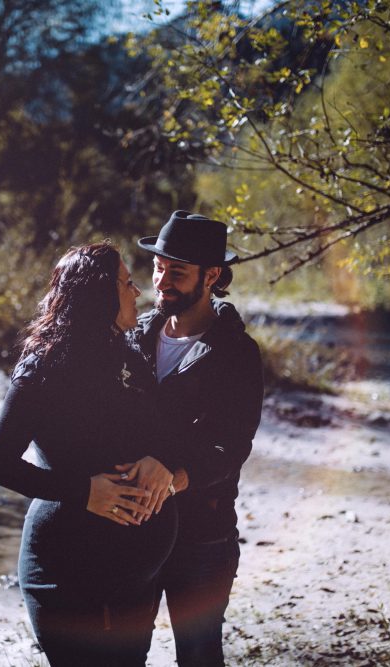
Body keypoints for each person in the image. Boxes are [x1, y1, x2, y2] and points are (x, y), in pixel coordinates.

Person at [0, 242, 180, 666]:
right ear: (99, 294)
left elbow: (157, 434)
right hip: (65, 571)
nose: (137, 292)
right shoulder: (43, 365)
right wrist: (84, 492)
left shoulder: (130, 357)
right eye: (127, 284)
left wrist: (159, 462)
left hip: (135, 579)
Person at [131, 210, 264, 666]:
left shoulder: (237, 353)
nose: (162, 280)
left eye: (177, 272)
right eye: (158, 266)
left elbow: (233, 445)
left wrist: (174, 478)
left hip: (203, 536)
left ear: (211, 276)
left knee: (199, 655)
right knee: (123, 652)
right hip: (132, 526)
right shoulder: (137, 335)